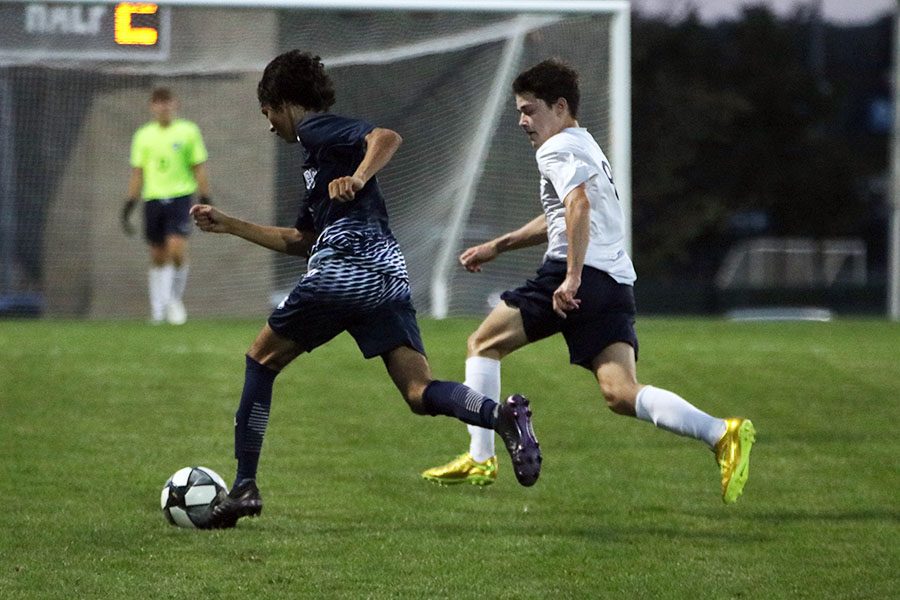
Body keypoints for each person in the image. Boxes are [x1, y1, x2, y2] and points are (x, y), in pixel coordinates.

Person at [189, 50, 541, 529]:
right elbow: (301, 241)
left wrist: (356, 177)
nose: (270, 126)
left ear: (284, 103)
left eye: (268, 113)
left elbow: (385, 137)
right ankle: (503, 418)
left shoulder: (316, 129)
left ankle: (245, 487)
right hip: (387, 269)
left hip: (348, 263)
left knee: (260, 359)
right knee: (419, 392)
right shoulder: (315, 161)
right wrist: (229, 224)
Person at [421, 59, 756, 505]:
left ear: (560, 107)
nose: (523, 121)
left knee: (483, 345)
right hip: (614, 282)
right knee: (621, 393)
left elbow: (577, 206)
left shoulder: (555, 149)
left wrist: (572, 276)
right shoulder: (585, 145)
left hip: (574, 274)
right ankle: (721, 434)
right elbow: (563, 212)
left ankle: (480, 456)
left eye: (529, 110)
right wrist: (499, 245)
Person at [122, 87, 211, 325]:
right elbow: (138, 172)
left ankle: (174, 300)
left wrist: (205, 197)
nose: (164, 107)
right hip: (153, 199)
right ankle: (158, 309)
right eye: (159, 103)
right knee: (158, 255)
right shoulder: (143, 135)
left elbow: (198, 166)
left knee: (177, 250)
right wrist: (129, 204)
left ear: (175, 104)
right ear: (152, 107)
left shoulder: (188, 131)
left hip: (180, 197)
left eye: (167, 102)